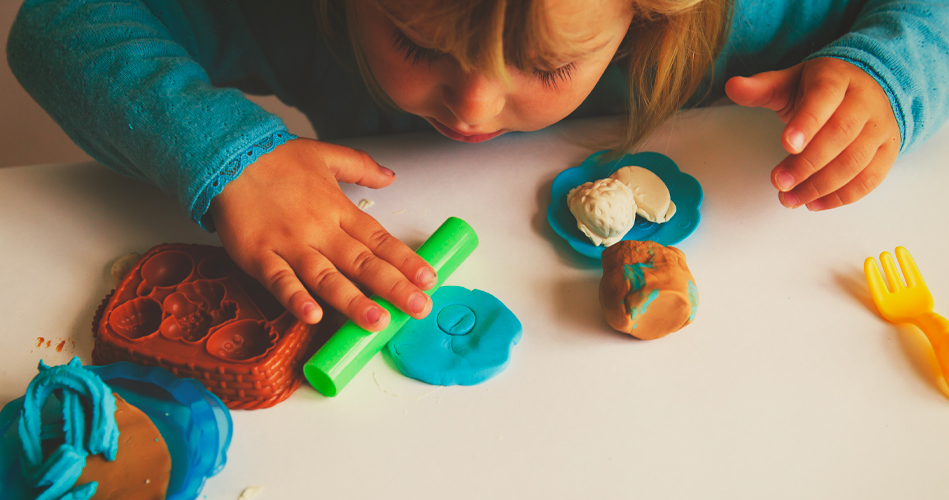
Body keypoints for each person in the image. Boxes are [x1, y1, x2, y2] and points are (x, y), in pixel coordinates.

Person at [8, 0, 949, 332]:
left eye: (545, 68)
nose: (471, 108)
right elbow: (60, 24)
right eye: (417, 43)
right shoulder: (294, 12)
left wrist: (883, 74)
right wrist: (226, 157)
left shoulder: (730, 13)